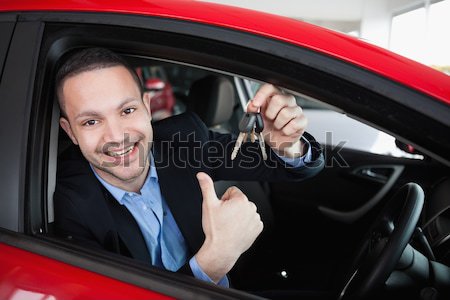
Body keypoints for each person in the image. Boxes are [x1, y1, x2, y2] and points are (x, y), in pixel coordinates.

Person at [54, 47, 324, 286]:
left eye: (127, 111)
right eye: (91, 122)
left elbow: (289, 167)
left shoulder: (182, 139)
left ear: (147, 107)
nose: (116, 136)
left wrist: (287, 144)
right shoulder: (68, 206)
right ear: (70, 132)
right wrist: (215, 259)